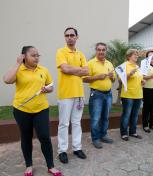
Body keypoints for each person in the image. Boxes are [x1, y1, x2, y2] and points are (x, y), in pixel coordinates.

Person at [3, 46, 62, 176]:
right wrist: (18, 63)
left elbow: (51, 86)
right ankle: (28, 165)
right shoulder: (18, 69)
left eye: (37, 55)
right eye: (33, 55)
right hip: (21, 110)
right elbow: (7, 80)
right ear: (24, 56)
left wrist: (47, 89)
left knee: (45, 137)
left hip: (41, 109)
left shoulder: (43, 70)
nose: (36, 58)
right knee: (26, 137)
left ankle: (50, 166)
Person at [56, 27, 88, 163]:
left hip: (79, 94)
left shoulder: (80, 54)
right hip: (65, 94)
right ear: (65, 37)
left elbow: (86, 71)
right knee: (64, 123)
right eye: (67, 35)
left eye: (72, 35)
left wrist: (73, 70)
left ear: (77, 37)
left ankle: (77, 148)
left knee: (76, 123)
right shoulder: (61, 52)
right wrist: (78, 70)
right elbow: (64, 68)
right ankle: (62, 150)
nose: (69, 37)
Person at [83, 42, 115, 149]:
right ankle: (95, 138)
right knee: (96, 118)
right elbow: (84, 79)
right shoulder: (90, 63)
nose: (101, 52)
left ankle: (103, 135)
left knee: (105, 117)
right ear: (96, 51)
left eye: (103, 50)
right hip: (96, 94)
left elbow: (113, 79)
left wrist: (111, 77)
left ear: (105, 51)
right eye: (99, 50)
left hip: (108, 94)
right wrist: (97, 77)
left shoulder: (109, 64)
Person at [120, 49, 144, 141]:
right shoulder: (124, 65)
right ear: (129, 56)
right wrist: (129, 74)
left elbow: (139, 79)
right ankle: (124, 133)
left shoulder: (138, 67)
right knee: (126, 115)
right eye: (135, 54)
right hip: (128, 94)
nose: (136, 56)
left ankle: (133, 132)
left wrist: (142, 81)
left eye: (137, 54)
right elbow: (120, 79)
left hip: (138, 94)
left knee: (135, 115)